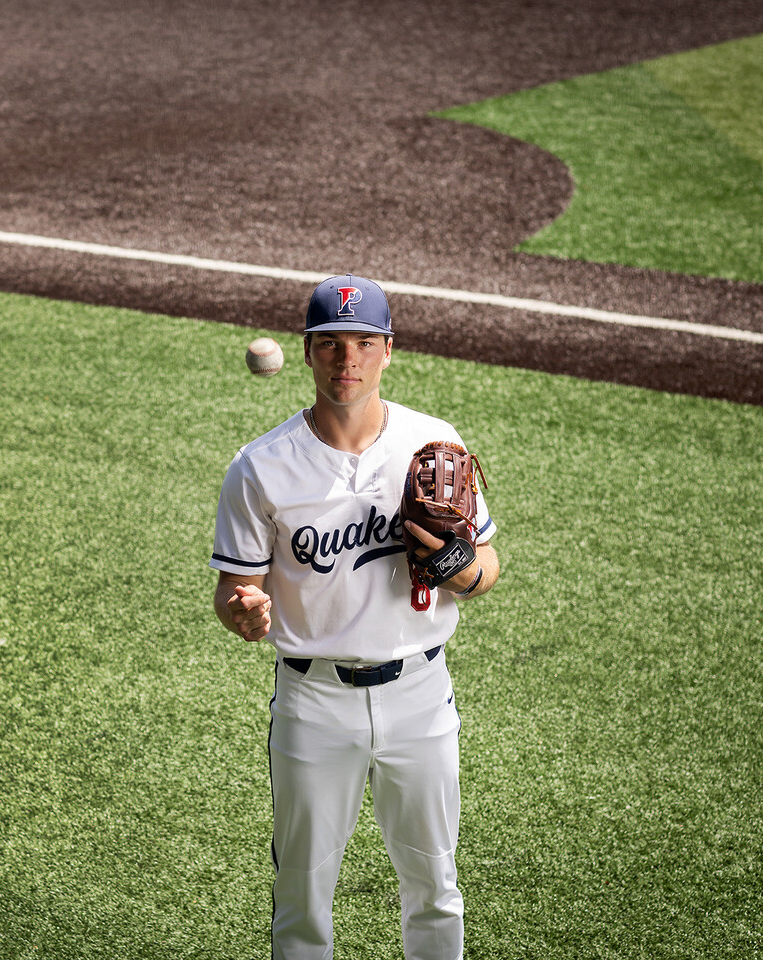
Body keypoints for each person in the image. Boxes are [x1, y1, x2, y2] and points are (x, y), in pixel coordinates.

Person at [210, 275, 499, 960]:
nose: (349, 362)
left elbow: (487, 568)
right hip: (314, 703)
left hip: (421, 698)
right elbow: (234, 590)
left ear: (389, 350)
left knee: (435, 885)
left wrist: (460, 564)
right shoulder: (259, 468)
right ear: (307, 353)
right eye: (332, 345)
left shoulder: (433, 444)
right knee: (302, 896)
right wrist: (243, 613)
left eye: (364, 343)